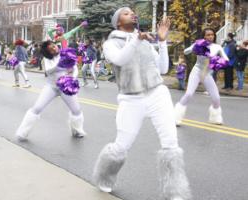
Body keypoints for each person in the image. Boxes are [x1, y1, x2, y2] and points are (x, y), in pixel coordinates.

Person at [92, 7, 191, 200]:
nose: (132, 14)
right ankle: (104, 177)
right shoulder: (111, 43)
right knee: (121, 146)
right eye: (126, 13)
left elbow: (162, 69)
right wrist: (138, 40)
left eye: (132, 12)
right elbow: (120, 60)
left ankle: (175, 192)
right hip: (131, 99)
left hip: (157, 94)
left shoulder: (143, 40)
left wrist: (162, 42)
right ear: (118, 22)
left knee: (171, 144)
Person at [15, 41, 87, 141]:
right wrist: (60, 65)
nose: (54, 49)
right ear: (48, 52)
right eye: (51, 49)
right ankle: (22, 133)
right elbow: (48, 71)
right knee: (37, 108)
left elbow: (75, 69)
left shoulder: (66, 54)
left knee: (76, 110)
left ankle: (77, 131)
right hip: (51, 87)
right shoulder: (47, 59)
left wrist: (72, 79)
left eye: (54, 46)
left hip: (65, 86)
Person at [174, 28, 229, 126]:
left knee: (216, 98)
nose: (210, 36)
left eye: (212, 34)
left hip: (207, 74)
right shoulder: (199, 44)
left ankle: (215, 117)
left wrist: (218, 62)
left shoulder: (217, 47)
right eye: (208, 35)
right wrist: (194, 47)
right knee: (189, 94)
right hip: (197, 71)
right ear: (204, 36)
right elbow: (186, 51)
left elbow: (226, 59)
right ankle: (175, 117)